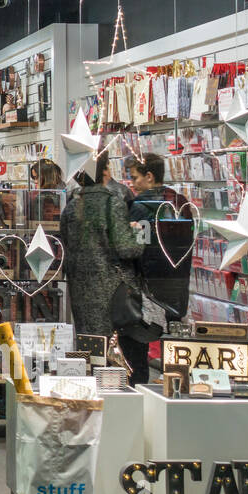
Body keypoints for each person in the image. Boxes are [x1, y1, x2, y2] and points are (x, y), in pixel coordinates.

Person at [60, 152, 144, 364]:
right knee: (113, 347)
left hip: (80, 287)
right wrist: (139, 232)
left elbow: (66, 242)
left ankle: (90, 381)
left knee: (88, 342)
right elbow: (128, 250)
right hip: (111, 288)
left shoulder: (71, 207)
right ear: (105, 171)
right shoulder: (112, 204)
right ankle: (113, 387)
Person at [126, 153, 193, 384]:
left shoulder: (141, 207)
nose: (132, 183)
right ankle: (178, 389)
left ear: (150, 176)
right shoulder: (180, 202)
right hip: (177, 285)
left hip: (147, 289)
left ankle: (141, 393)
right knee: (177, 348)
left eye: (135, 177)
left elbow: (136, 250)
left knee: (138, 349)